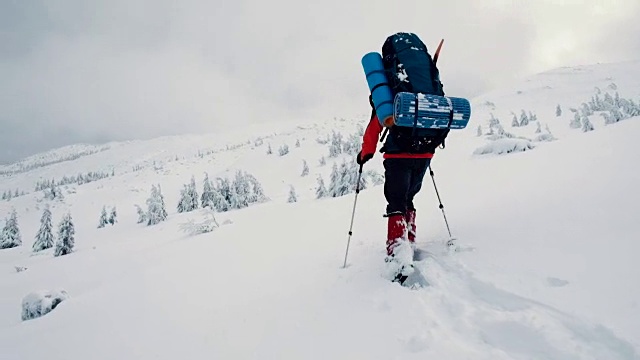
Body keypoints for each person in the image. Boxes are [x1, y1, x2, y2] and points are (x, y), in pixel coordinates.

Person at [356, 99, 435, 278]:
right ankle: (410, 241)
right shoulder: (418, 95)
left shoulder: (388, 97)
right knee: (409, 197)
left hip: (398, 155)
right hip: (424, 153)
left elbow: (375, 126)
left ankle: (398, 253)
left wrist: (365, 154)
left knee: (396, 201)